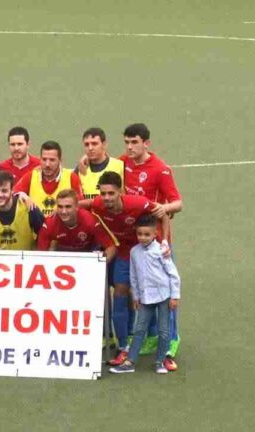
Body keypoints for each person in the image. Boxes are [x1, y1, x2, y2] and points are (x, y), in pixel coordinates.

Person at [86, 172, 170, 366]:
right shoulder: (98, 204)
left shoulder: (138, 203)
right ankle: (123, 346)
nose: (106, 198)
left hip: (147, 253)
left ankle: (160, 340)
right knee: (120, 291)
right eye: (103, 193)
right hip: (125, 252)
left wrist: (164, 241)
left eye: (111, 194)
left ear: (120, 192)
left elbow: (163, 214)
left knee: (152, 293)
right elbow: (82, 204)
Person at [121, 123, 183, 370]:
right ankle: (151, 337)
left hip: (157, 243)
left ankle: (171, 342)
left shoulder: (160, 169)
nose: (129, 147)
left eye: (134, 142)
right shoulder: (122, 162)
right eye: (126, 142)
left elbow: (177, 203)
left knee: (165, 291)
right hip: (135, 241)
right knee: (144, 291)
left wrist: (164, 208)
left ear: (146, 143)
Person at [109, 215, 180, 374]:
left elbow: (173, 274)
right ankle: (130, 362)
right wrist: (135, 296)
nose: (143, 237)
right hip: (145, 298)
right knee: (139, 329)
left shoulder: (162, 250)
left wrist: (175, 296)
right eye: (140, 234)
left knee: (163, 330)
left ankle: (160, 361)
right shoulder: (134, 251)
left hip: (163, 295)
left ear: (155, 234)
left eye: (147, 234)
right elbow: (133, 276)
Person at [37, 189, 117, 260]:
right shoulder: (50, 223)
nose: (63, 211)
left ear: (77, 207)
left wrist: (98, 265)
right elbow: (40, 255)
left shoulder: (90, 221)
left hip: (88, 253)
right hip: (62, 254)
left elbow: (111, 248)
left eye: (68, 207)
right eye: (60, 207)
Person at [14, 140, 83, 216]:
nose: (47, 164)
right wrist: (22, 195)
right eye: (44, 159)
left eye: (52, 160)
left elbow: (80, 205)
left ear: (60, 160)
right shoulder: (31, 176)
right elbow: (13, 193)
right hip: (37, 226)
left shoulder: (71, 178)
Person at [76, 127, 125, 199]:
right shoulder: (80, 169)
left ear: (104, 144)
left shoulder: (120, 166)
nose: (90, 148)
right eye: (86, 144)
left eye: (94, 144)